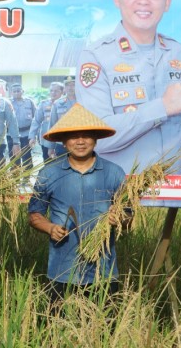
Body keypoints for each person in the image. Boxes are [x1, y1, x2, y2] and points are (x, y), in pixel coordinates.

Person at [75, 0, 181, 197]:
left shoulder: (179, 53)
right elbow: (96, 139)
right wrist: (161, 107)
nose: (144, 0)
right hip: (120, 200)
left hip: (175, 198)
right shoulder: (96, 56)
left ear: (167, 2)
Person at [27, 103, 129, 304]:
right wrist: (50, 228)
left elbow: (127, 216)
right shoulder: (49, 173)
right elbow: (34, 215)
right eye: (73, 136)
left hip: (104, 272)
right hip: (62, 271)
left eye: (86, 135)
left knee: (104, 331)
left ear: (96, 139)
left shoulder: (114, 173)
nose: (80, 141)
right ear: (64, 142)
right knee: (58, 329)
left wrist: (120, 219)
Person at [29, 82, 63, 162]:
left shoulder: (65, 104)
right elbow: (36, 121)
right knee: (48, 164)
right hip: (46, 140)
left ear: (62, 91)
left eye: (56, 91)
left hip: (61, 141)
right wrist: (32, 136)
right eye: (51, 91)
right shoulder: (43, 104)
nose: (53, 93)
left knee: (61, 164)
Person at [47, 77, 77, 158]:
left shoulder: (83, 102)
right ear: (64, 88)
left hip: (80, 143)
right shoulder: (58, 103)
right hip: (62, 143)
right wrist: (51, 146)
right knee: (63, 168)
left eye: (73, 85)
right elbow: (52, 125)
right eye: (68, 85)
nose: (70, 88)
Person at [8, 83, 36, 167]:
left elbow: (36, 118)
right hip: (12, 134)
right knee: (13, 157)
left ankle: (26, 178)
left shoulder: (29, 102)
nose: (16, 93)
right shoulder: (8, 103)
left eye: (18, 91)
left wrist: (34, 135)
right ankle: (15, 178)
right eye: (14, 91)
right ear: (11, 92)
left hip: (26, 134)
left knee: (26, 156)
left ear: (22, 91)